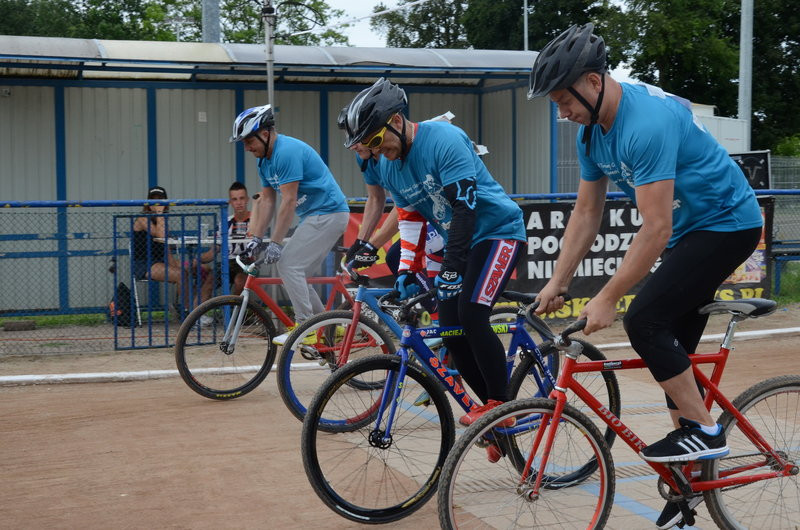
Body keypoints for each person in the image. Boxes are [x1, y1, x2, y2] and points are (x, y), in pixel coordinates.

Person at [527, 24, 763, 528]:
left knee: (644, 322)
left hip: (728, 222)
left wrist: (610, 296)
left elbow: (655, 228)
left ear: (592, 82)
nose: (560, 112)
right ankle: (689, 495)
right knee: (670, 364)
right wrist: (559, 280)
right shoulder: (592, 133)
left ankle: (707, 431)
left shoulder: (645, 123)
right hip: (691, 232)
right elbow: (586, 215)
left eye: (562, 99)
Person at [343, 78, 527, 461]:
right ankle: (490, 415)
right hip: (462, 242)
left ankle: (501, 408)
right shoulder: (391, 168)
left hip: (497, 233)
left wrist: (451, 269)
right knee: (451, 331)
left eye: (377, 140)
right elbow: (409, 219)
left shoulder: (444, 138)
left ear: (396, 120)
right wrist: (407, 268)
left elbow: (465, 208)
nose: (377, 152)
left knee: (473, 315)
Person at [230, 104, 350, 345]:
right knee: (298, 274)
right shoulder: (264, 160)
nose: (246, 147)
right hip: (316, 216)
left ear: (265, 134)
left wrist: (274, 242)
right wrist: (256, 237)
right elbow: (267, 201)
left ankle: (305, 325)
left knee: (288, 264)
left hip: (328, 213)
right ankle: (326, 325)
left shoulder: (286, 152)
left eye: (248, 141)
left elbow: (289, 201)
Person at [132, 186, 215, 322]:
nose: (157, 204)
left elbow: (166, 249)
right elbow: (160, 235)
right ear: (147, 203)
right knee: (181, 275)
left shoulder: (163, 220)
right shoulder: (143, 219)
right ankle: (189, 315)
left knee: (203, 269)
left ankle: (195, 308)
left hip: (161, 261)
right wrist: (160, 214)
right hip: (145, 264)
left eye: (160, 201)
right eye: (154, 200)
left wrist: (176, 266)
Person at [198, 181, 252, 295]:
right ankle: (194, 312)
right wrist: (196, 260)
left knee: (239, 281)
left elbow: (263, 246)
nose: (239, 203)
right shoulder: (225, 223)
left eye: (242, 198)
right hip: (227, 263)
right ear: (230, 202)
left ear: (247, 199)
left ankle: (234, 312)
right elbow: (214, 251)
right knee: (208, 282)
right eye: (235, 199)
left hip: (247, 263)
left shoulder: (256, 221)